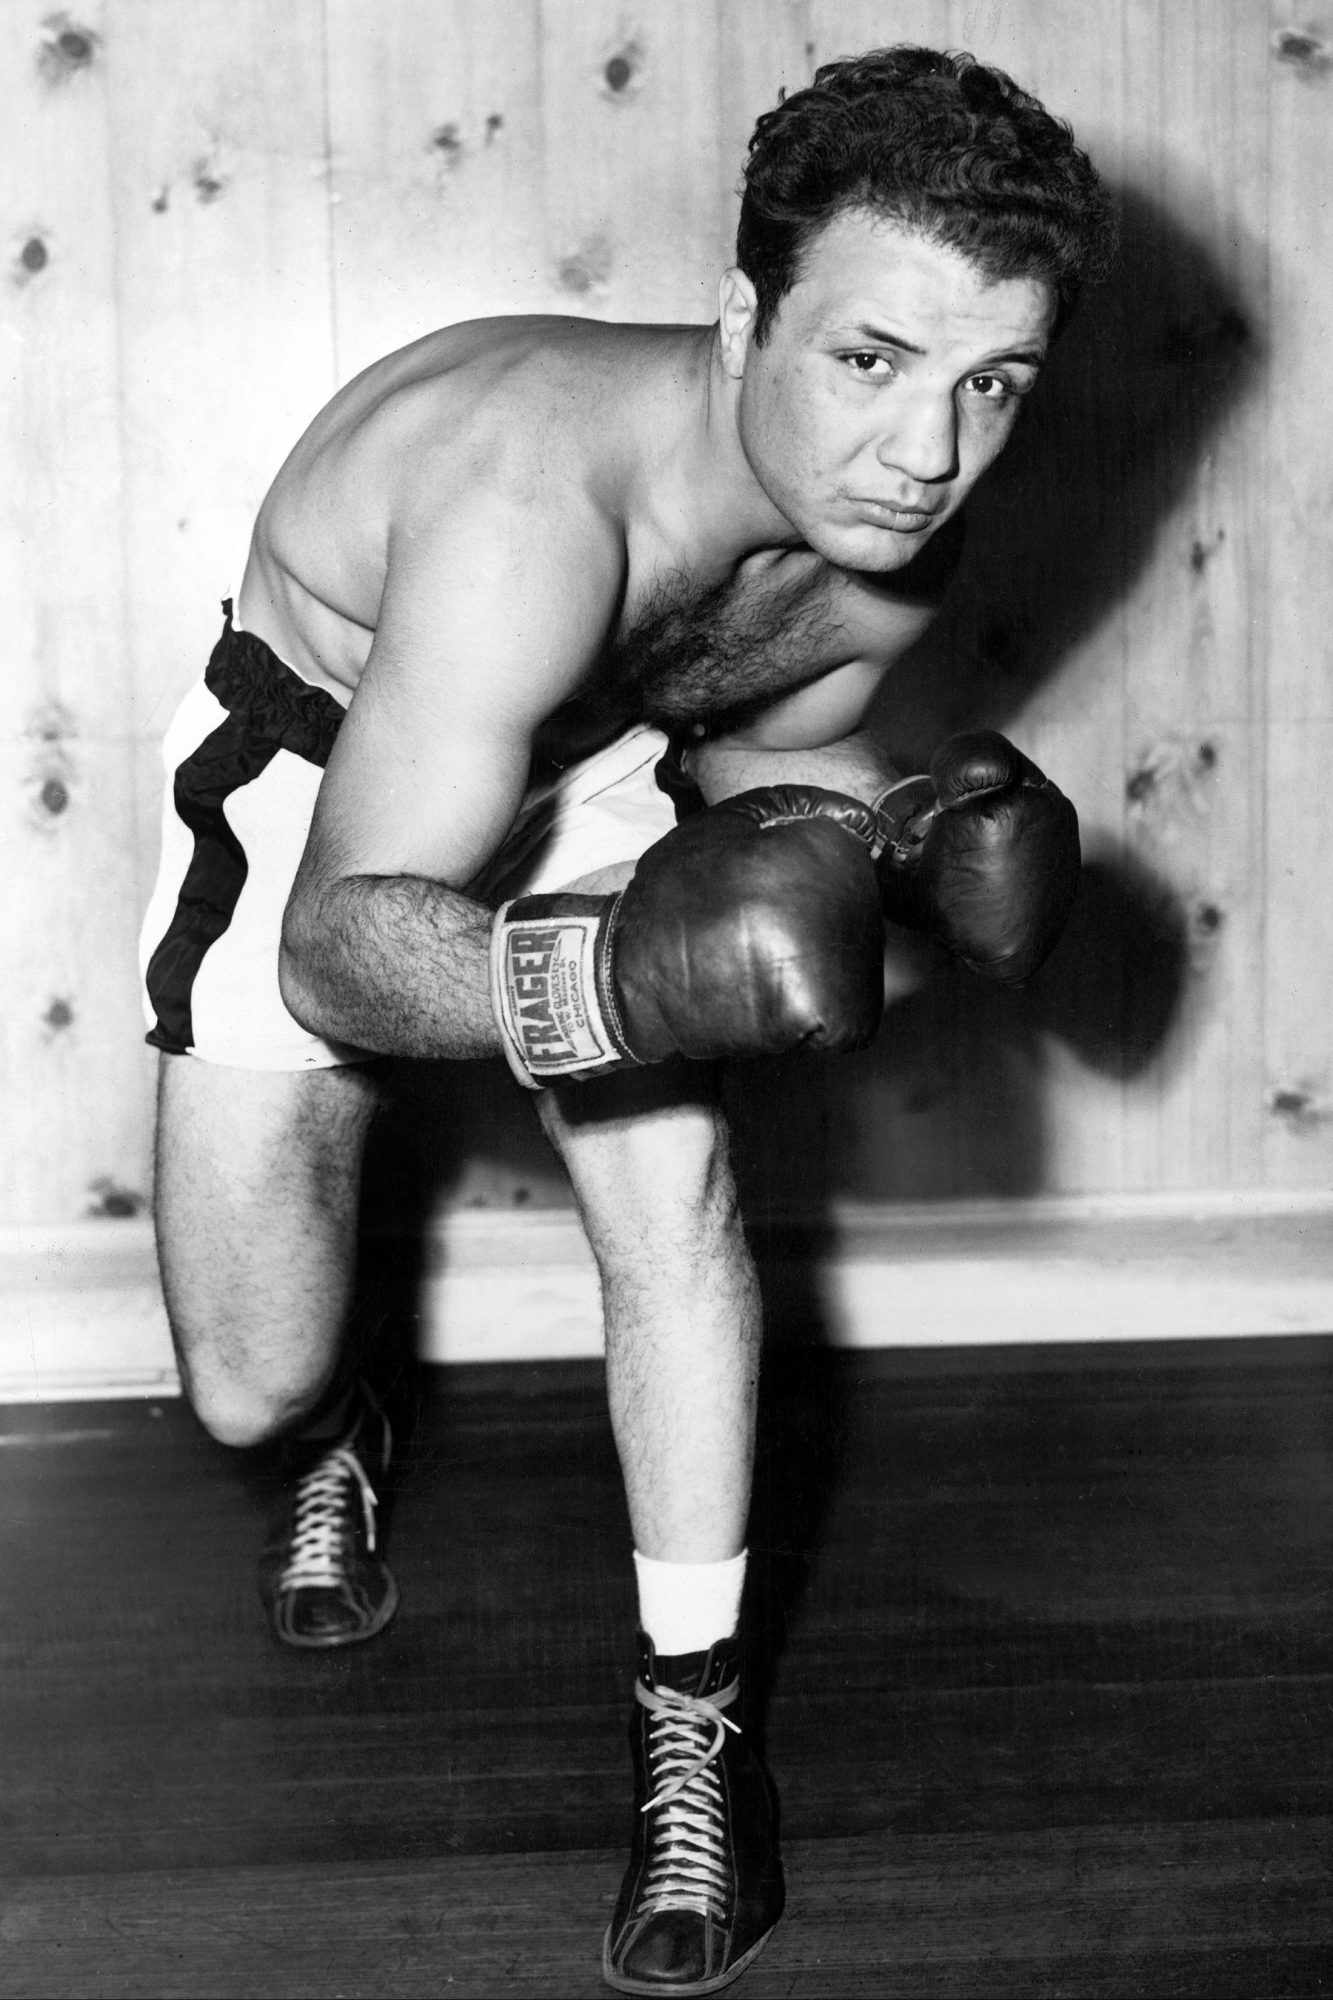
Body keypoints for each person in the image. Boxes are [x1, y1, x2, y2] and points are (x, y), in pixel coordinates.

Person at [138, 43, 1111, 1996]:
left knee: (673, 1191)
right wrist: (607, 977)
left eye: (986, 381)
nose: (929, 449)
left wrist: (903, 855)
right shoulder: (526, 500)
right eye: (869, 360)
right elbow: (345, 944)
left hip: (593, 770)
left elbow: (757, 838)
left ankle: (697, 1722)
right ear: (747, 313)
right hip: (325, 772)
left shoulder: (877, 558)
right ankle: (346, 1419)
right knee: (245, 1386)